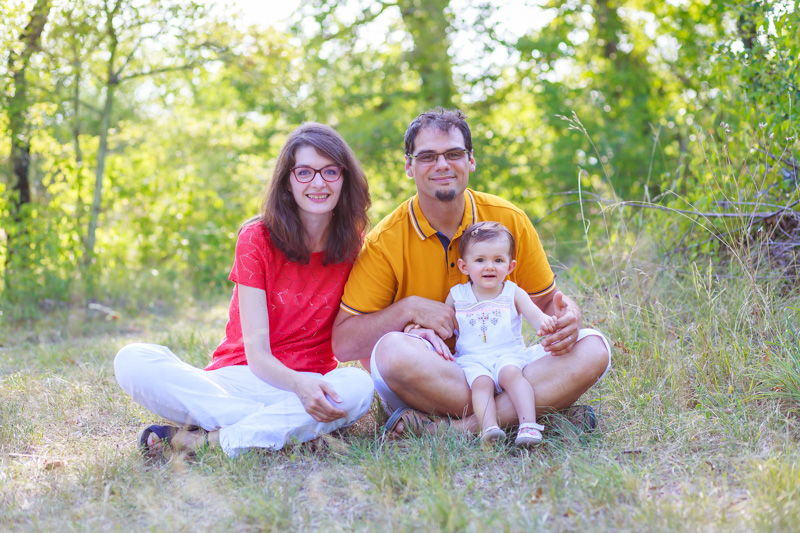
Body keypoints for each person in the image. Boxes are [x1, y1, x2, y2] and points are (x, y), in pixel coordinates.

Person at [331, 108, 611, 439]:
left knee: (594, 348)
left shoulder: (509, 219)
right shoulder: (385, 241)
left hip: (506, 364)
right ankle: (537, 409)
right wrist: (408, 309)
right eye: (427, 157)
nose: (442, 165)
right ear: (408, 166)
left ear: (471, 160)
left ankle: (457, 430)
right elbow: (344, 344)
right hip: (437, 376)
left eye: (453, 154)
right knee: (392, 353)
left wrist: (570, 317)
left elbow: (549, 303)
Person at [115, 123, 374, 457]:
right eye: (304, 172)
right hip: (240, 379)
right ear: (288, 181)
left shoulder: (356, 247)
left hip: (310, 383)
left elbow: (364, 327)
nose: (318, 183)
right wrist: (298, 390)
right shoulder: (257, 238)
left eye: (330, 171)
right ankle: (287, 430)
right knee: (132, 359)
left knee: (359, 386)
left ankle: (207, 441)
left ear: (344, 178)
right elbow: (258, 355)